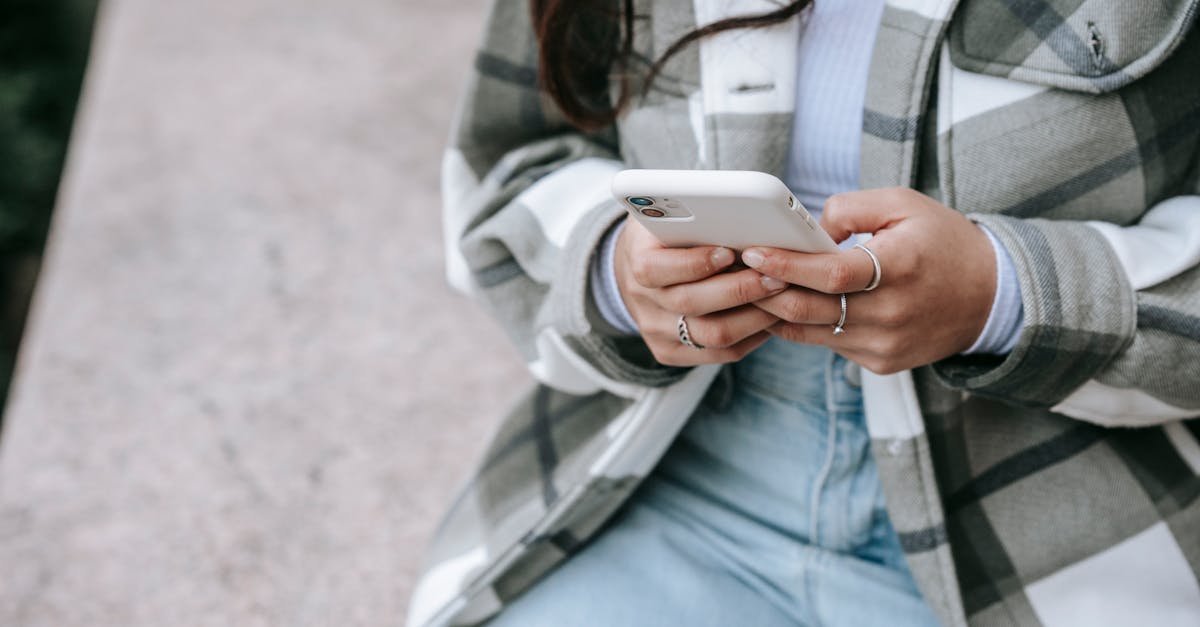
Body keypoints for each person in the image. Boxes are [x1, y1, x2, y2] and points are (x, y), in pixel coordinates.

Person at [409, 0, 1200, 625]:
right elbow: (508, 161)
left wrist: (1002, 297)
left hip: (1073, 527)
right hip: (675, 472)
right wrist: (620, 273)